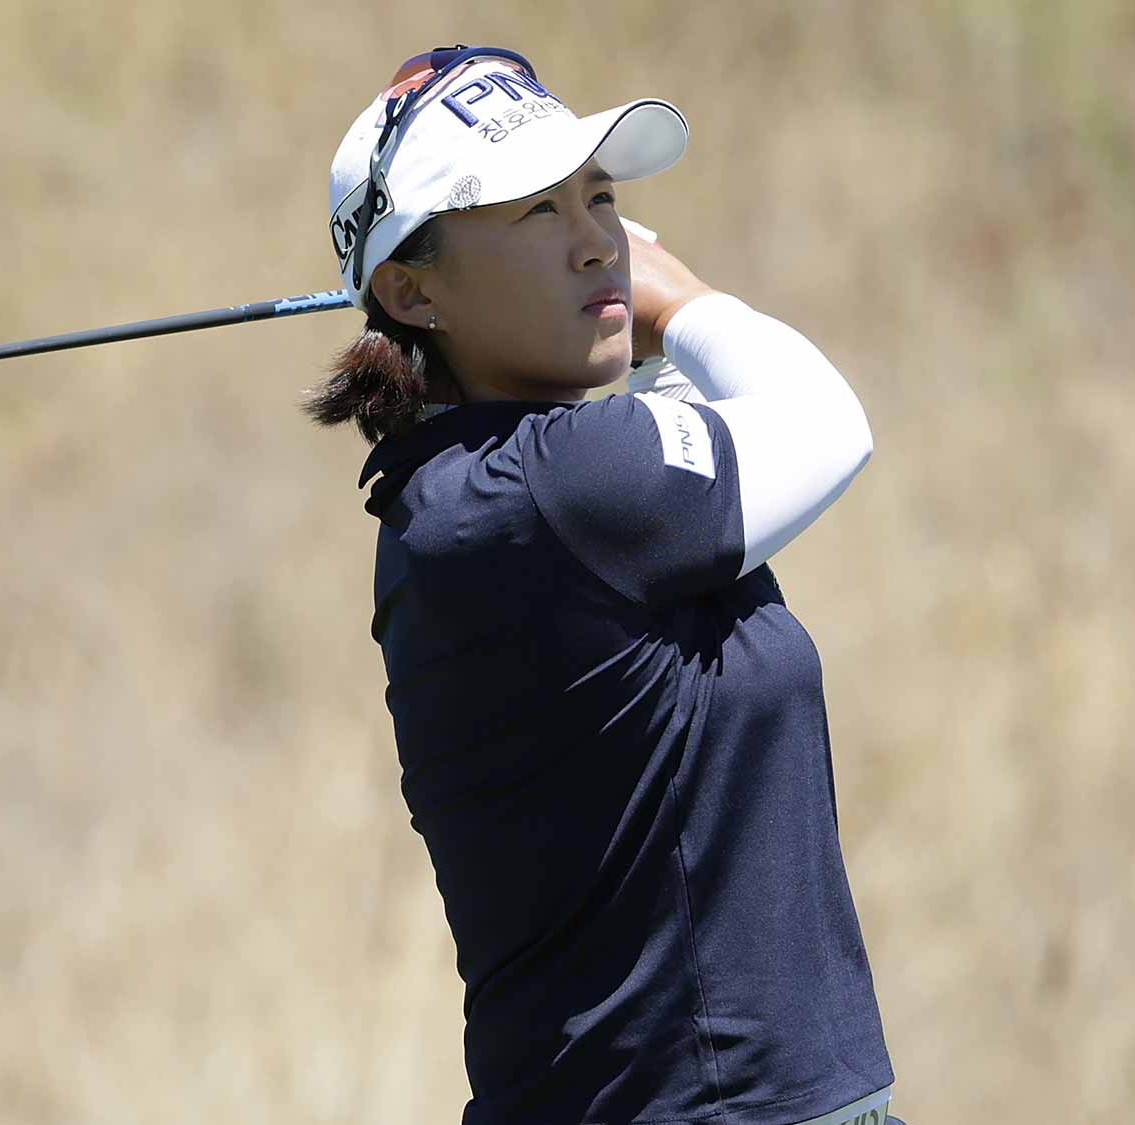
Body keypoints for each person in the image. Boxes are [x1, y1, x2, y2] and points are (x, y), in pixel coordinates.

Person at [304, 47, 899, 1125]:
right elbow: (823, 423)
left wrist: (642, 325)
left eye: (600, 197)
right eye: (535, 214)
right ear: (410, 288)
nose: (597, 243)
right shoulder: (548, 492)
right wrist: (687, 303)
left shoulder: (484, 491)